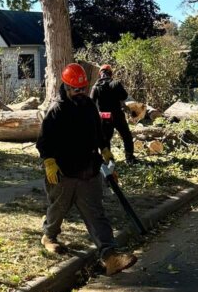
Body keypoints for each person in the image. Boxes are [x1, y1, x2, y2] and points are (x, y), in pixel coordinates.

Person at [36, 62, 137, 276]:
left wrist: (106, 151)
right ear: (66, 86)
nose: (80, 92)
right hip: (63, 172)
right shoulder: (57, 110)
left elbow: (98, 133)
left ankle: (109, 256)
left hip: (89, 170)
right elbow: (44, 141)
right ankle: (49, 236)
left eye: (82, 88)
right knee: (58, 208)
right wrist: (49, 162)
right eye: (75, 89)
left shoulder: (90, 106)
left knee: (96, 214)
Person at [91, 64, 137, 165]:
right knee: (126, 136)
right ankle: (129, 158)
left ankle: (109, 161)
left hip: (104, 117)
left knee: (106, 139)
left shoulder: (95, 87)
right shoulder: (115, 83)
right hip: (117, 116)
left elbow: (91, 103)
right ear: (110, 73)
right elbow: (124, 96)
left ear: (100, 74)